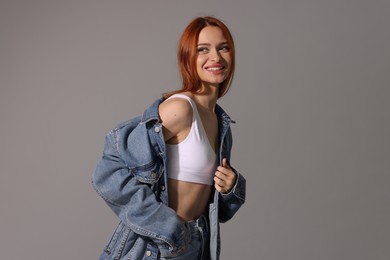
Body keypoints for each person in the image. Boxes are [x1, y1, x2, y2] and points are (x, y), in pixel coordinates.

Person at [92, 16, 246, 260]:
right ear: (188, 57)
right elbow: (109, 169)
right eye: (203, 49)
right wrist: (167, 227)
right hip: (159, 248)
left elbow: (219, 211)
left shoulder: (220, 122)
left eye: (223, 47)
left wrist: (231, 187)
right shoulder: (181, 109)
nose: (215, 57)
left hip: (198, 244)